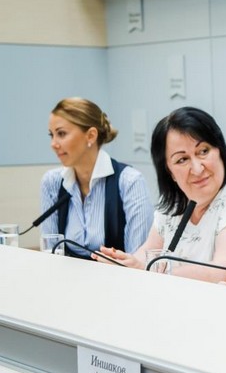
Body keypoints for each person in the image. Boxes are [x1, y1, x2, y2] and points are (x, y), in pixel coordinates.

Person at [94, 106, 226, 287]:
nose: (198, 169)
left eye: (203, 151)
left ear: (220, 150)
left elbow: (225, 275)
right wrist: (124, 264)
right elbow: (147, 258)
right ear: (169, 171)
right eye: (182, 160)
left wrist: (148, 272)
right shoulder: (175, 203)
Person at [41, 97, 153, 257]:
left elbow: (137, 260)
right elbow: (50, 252)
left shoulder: (130, 182)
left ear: (91, 136)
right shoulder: (52, 182)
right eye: (51, 135)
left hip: (117, 273)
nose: (53, 143)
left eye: (61, 133)